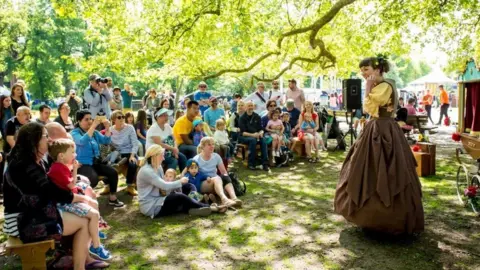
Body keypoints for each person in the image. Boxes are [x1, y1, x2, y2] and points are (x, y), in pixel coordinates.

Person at [334, 56, 424, 235]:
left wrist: (367, 89)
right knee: (366, 167)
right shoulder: (382, 85)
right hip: (377, 127)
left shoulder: (384, 86)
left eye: (366, 69)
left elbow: (368, 108)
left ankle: (386, 219)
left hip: (383, 129)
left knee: (387, 168)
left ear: (377, 70)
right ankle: (368, 217)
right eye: (362, 70)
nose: (363, 73)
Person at [3, 122, 109, 269]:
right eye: (45, 137)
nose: (49, 140)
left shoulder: (31, 159)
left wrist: (75, 196)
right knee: (84, 221)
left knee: (84, 210)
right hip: (21, 221)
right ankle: (81, 265)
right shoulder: (23, 165)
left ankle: (83, 260)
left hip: (33, 213)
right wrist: (78, 198)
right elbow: (49, 192)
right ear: (35, 141)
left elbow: (50, 188)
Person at [47, 139, 111, 261]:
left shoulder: (59, 166)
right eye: (72, 152)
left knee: (93, 203)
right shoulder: (58, 169)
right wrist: (75, 169)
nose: (75, 155)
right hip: (65, 203)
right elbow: (71, 185)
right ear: (61, 155)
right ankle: (96, 246)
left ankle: (95, 231)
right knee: (94, 214)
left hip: (68, 198)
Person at [137, 145, 215, 218]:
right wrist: (179, 182)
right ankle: (208, 206)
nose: (164, 158)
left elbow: (165, 185)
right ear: (155, 156)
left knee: (189, 186)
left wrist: (177, 183)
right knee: (179, 196)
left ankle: (193, 206)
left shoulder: (158, 166)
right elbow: (164, 185)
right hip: (153, 206)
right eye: (162, 155)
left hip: (161, 197)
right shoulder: (147, 171)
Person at [71, 110, 124, 207]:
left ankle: (112, 198)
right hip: (83, 164)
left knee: (113, 172)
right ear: (79, 121)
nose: (90, 121)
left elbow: (106, 140)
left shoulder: (94, 132)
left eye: (90, 119)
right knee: (93, 178)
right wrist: (93, 127)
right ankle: (85, 201)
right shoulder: (75, 133)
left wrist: (107, 128)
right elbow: (82, 141)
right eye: (86, 119)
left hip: (96, 162)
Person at [192, 137, 242, 208]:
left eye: (213, 144)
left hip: (215, 180)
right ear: (203, 147)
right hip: (204, 182)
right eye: (209, 145)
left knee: (224, 176)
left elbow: (223, 171)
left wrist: (226, 179)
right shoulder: (196, 159)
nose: (212, 146)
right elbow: (193, 175)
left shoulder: (216, 156)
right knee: (217, 179)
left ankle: (234, 198)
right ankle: (224, 199)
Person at [109, 110, 139, 196]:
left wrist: (132, 155)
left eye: (123, 117)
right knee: (106, 165)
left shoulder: (130, 128)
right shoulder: (110, 130)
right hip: (117, 153)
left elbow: (135, 143)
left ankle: (130, 185)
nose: (122, 119)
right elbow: (108, 144)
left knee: (132, 163)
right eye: (119, 117)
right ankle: (108, 186)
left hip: (129, 152)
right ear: (113, 119)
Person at [238, 101, 269, 171]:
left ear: (253, 107)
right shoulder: (242, 118)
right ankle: (251, 163)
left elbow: (261, 129)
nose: (250, 107)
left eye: (251, 106)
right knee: (253, 140)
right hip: (244, 136)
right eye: (249, 106)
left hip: (255, 135)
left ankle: (265, 163)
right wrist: (253, 135)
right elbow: (243, 133)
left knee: (263, 140)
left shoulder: (257, 116)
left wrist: (261, 133)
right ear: (245, 107)